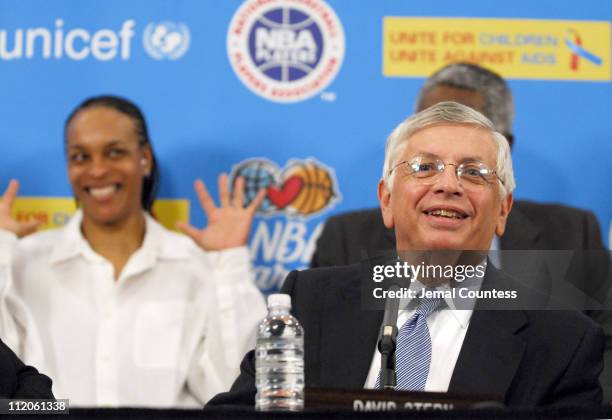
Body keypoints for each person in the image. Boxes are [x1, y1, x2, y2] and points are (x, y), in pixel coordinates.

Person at [208, 102, 604, 408]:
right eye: (424, 167)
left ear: (503, 210)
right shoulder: (313, 301)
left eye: (473, 172)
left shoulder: (561, 340)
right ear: (386, 200)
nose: (448, 184)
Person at [0, 95, 267, 407]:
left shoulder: (196, 264)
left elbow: (231, 391)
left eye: (114, 152)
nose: (97, 170)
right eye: (80, 157)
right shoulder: (22, 262)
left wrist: (229, 264)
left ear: (145, 158)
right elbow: (6, 388)